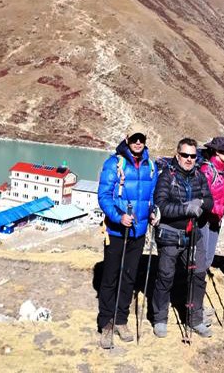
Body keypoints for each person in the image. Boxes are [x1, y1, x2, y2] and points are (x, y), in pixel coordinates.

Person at [95, 132, 158, 349]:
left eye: (141, 139)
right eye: (134, 139)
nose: (138, 143)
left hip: (138, 232)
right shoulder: (114, 163)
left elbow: (152, 198)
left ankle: (121, 320)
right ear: (127, 140)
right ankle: (106, 324)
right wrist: (118, 216)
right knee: (110, 277)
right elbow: (103, 196)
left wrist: (152, 213)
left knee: (129, 278)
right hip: (116, 232)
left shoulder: (151, 166)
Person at [148, 138, 214, 338]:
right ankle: (160, 319)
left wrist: (200, 203)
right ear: (177, 155)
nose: (189, 159)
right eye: (185, 155)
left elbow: (210, 201)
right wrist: (186, 208)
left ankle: (195, 319)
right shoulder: (167, 176)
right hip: (170, 235)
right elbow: (161, 205)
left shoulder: (200, 176)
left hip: (194, 234)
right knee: (165, 277)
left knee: (199, 276)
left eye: (193, 156)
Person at [192, 136, 224, 334]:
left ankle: (196, 302)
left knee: (207, 260)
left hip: (214, 221)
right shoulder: (207, 171)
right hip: (204, 221)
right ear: (216, 152)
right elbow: (203, 201)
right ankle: (195, 305)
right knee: (202, 262)